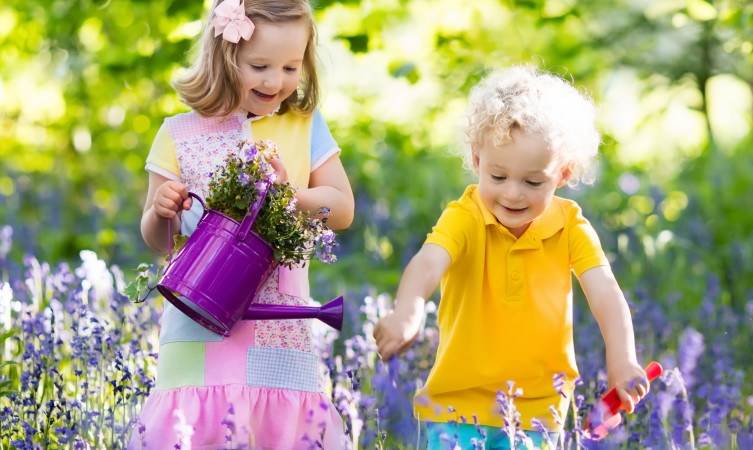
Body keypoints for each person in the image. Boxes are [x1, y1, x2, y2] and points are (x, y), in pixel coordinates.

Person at [372, 66, 650, 449]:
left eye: (533, 182)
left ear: (563, 173)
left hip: (540, 412)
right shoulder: (465, 216)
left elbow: (605, 293)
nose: (513, 194)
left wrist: (621, 359)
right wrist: (408, 310)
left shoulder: (570, 225)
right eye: (498, 177)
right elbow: (429, 261)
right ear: (477, 160)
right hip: (457, 406)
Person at [129, 0, 353, 448]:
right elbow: (158, 242)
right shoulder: (178, 133)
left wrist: (289, 195)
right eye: (260, 65)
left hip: (278, 326)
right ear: (224, 56)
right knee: (194, 431)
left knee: (277, 431)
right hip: (197, 323)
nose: (276, 81)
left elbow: (342, 208)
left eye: (292, 67)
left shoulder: (304, 126)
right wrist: (161, 211)